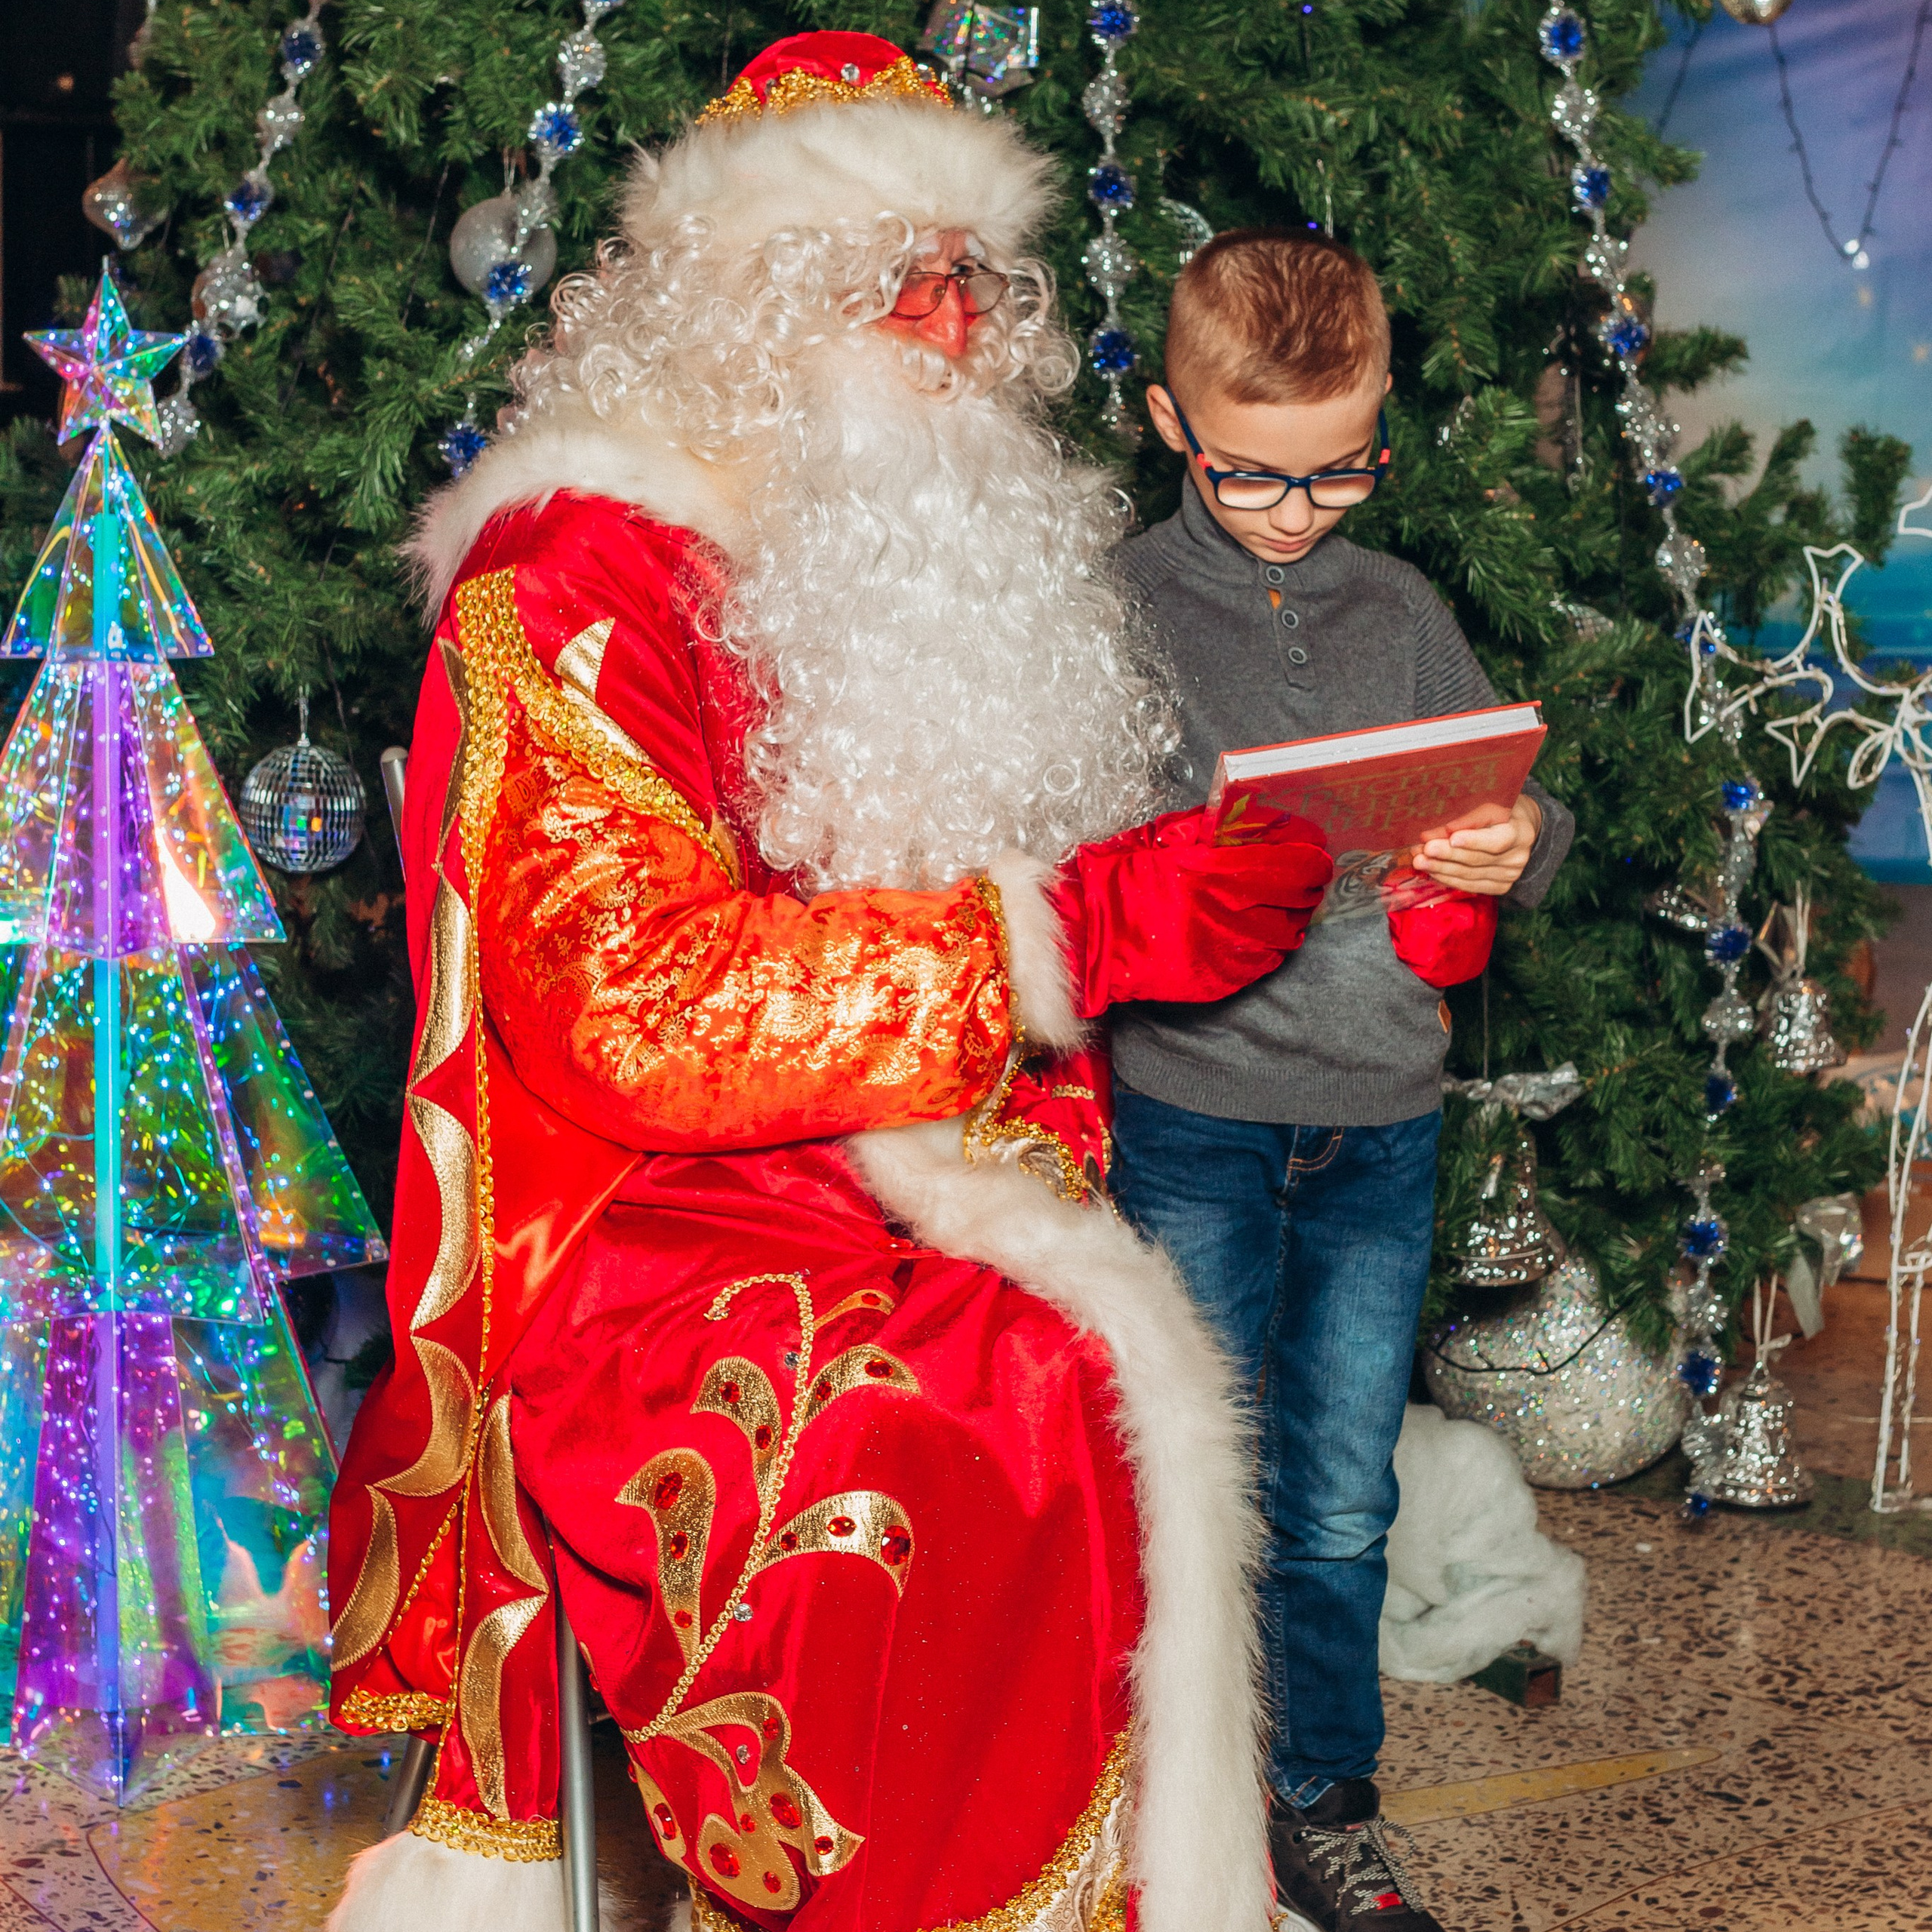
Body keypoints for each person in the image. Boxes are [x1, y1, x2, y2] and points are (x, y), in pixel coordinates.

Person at [324, 36, 1334, 1932]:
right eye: (895, 282)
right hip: (630, 1208)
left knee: (1084, 1345)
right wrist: (1065, 933)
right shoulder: (572, 578)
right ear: (749, 308)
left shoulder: (887, 537)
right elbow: (629, 1006)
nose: (953, 327)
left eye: (972, 278)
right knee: (971, 1397)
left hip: (892, 1150)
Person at [1108, 232, 1577, 1932]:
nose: (1299, 511)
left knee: (1336, 1495)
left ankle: (1322, 1797)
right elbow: (1073, 871)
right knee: (1191, 1486)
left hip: (1381, 1122)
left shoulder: (1402, 610)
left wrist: (1515, 839)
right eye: (1253, 472)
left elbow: (1517, 809)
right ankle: (1173, 1802)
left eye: (1341, 470)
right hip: (1193, 1119)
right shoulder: (1121, 611)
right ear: (1171, 418)